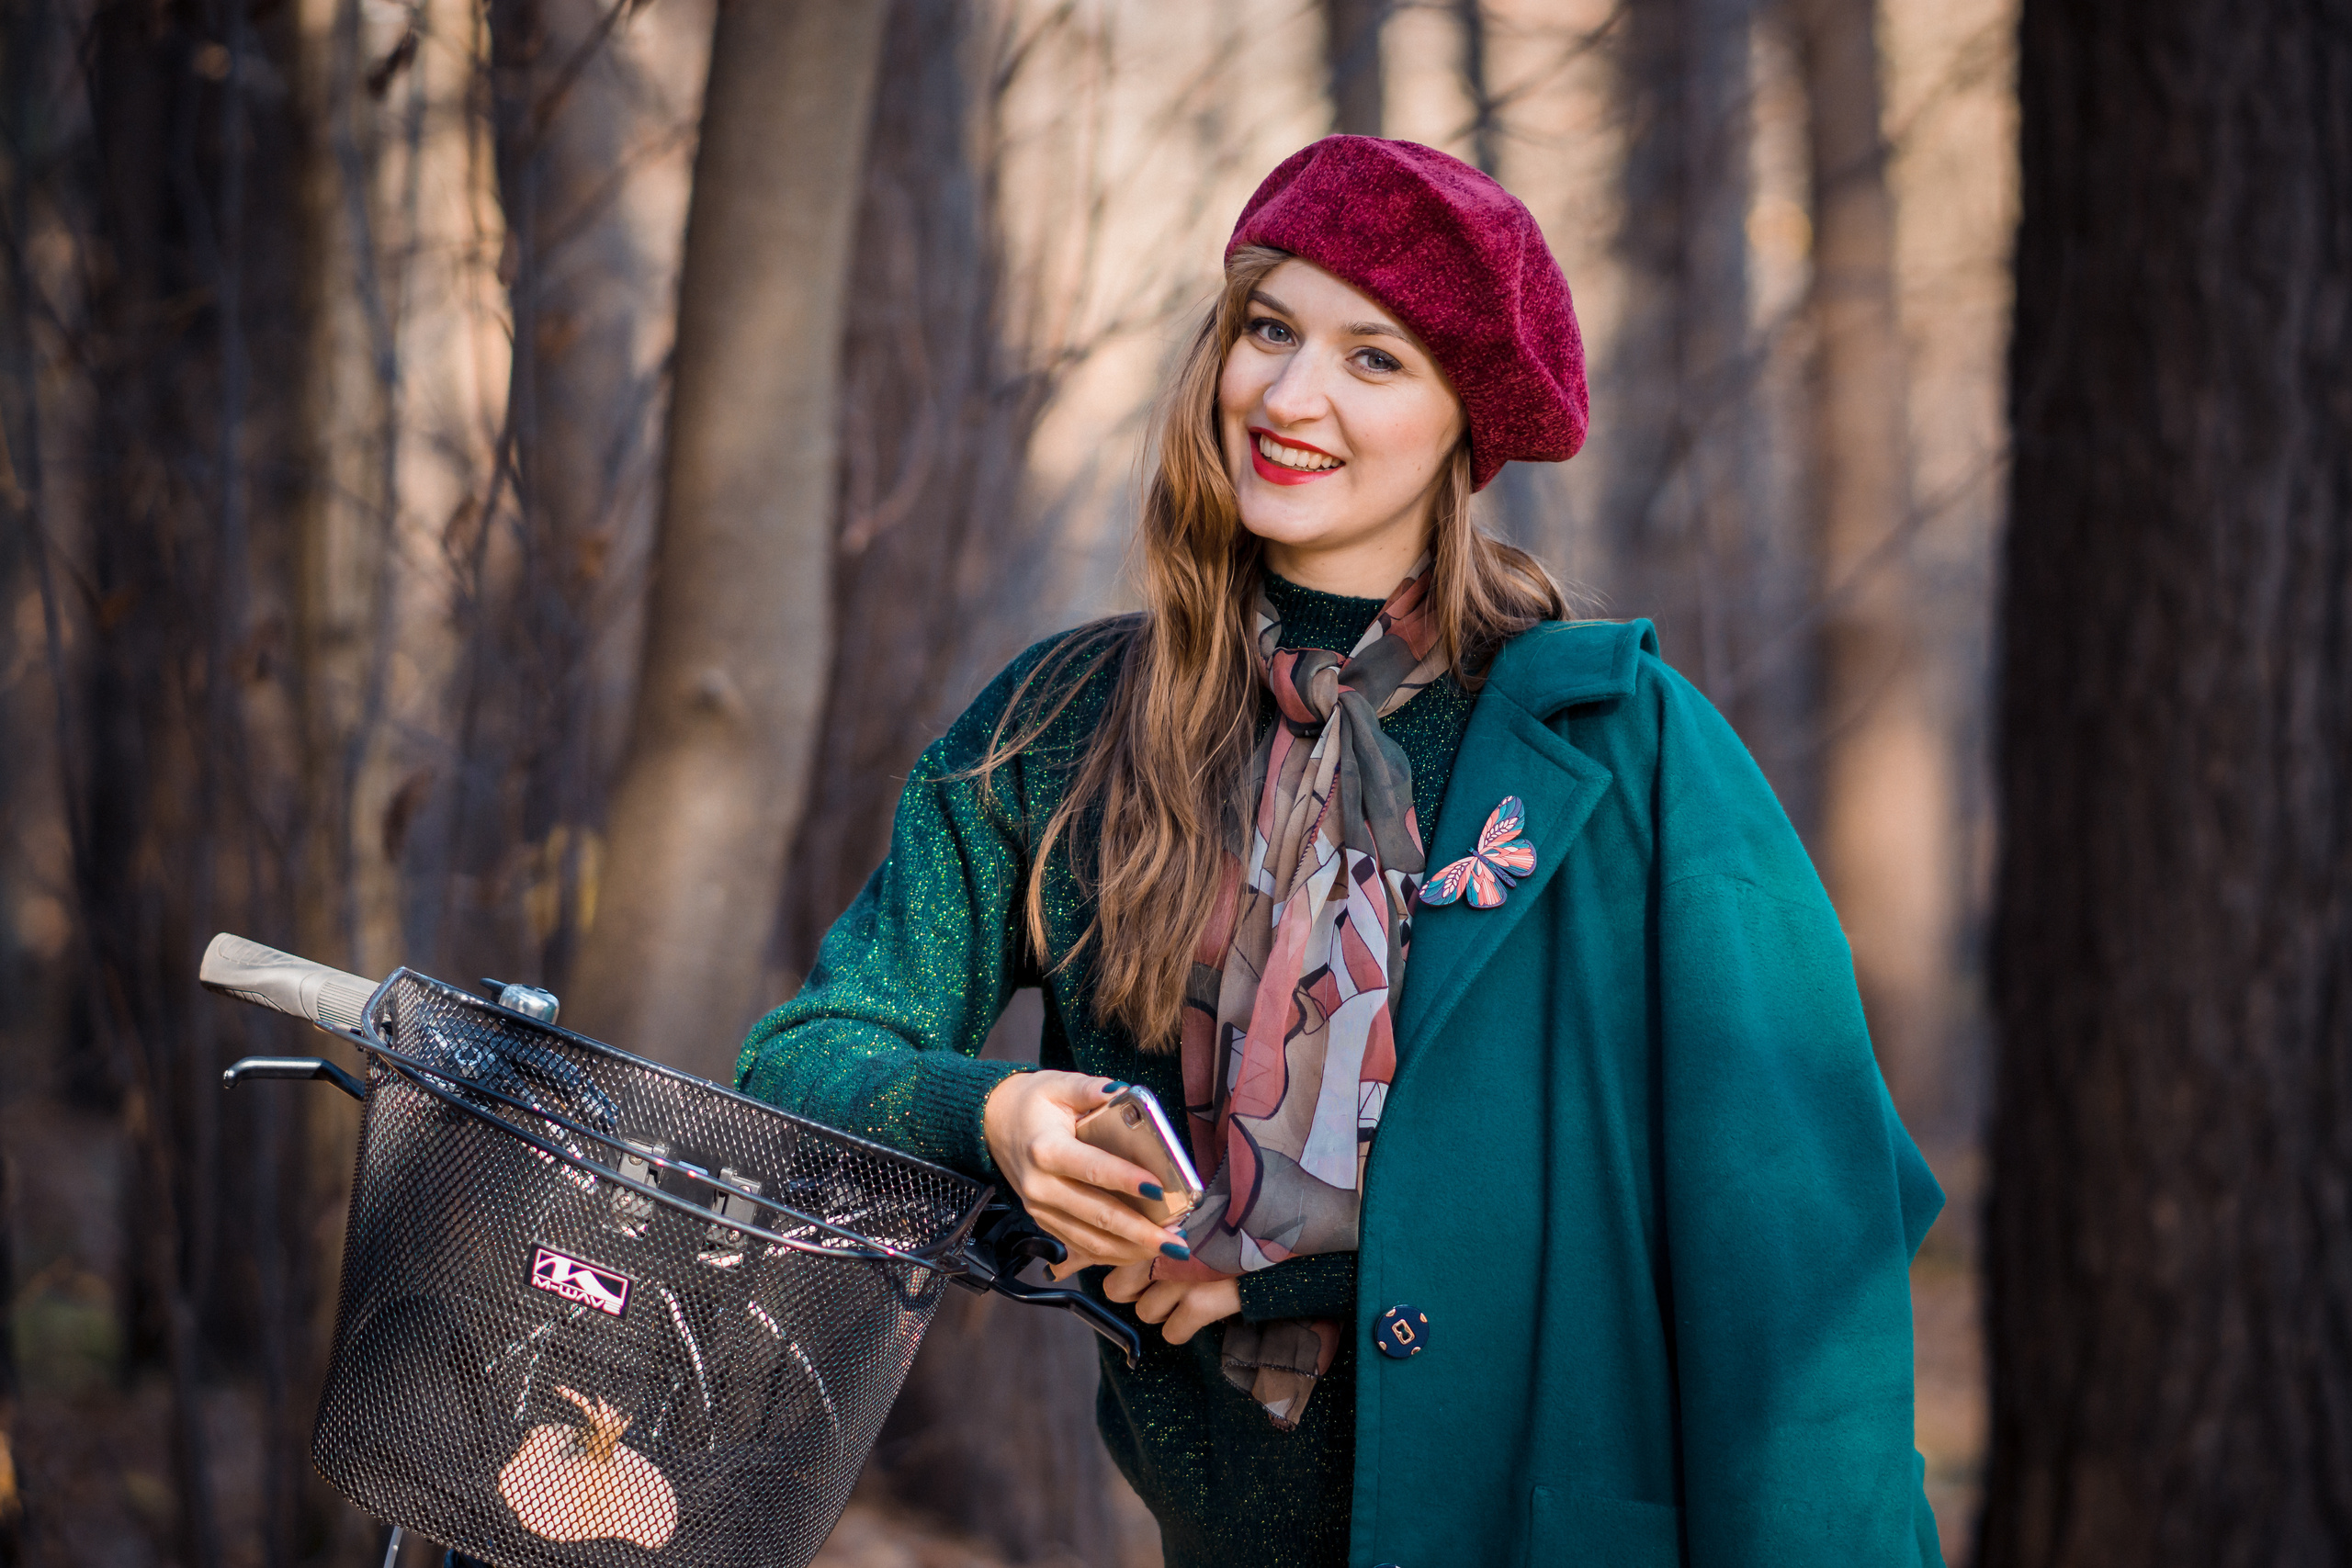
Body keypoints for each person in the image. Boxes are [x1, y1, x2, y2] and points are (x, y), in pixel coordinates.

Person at [739, 136, 1945, 1568]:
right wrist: (989, 1118)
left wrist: (1284, 1262)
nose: (1292, 398)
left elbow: (1793, 1237)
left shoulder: (1620, 751)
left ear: (1462, 424)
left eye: (1376, 360)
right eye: (1269, 330)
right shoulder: (1058, 729)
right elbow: (804, 1059)